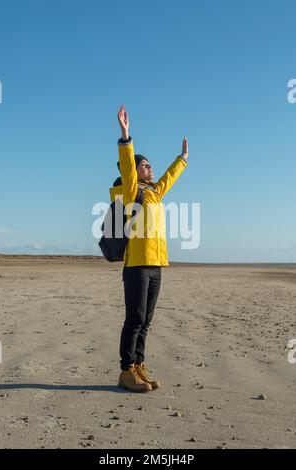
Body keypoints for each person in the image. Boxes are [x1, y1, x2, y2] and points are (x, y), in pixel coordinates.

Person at [110, 105, 188, 392]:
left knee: (147, 320)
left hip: (156, 265)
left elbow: (167, 179)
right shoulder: (133, 191)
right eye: (145, 165)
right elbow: (128, 166)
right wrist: (126, 135)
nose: (150, 168)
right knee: (135, 317)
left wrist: (182, 159)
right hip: (136, 265)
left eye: (149, 165)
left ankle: (139, 366)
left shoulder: (154, 192)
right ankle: (125, 370)